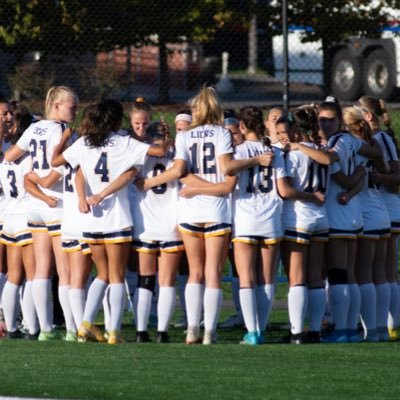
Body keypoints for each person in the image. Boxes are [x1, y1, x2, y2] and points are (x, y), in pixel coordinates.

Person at [137, 87, 272, 344]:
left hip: (190, 207)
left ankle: (191, 330)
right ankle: (209, 331)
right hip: (216, 208)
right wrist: (255, 161)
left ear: (201, 108)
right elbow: (227, 167)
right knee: (213, 273)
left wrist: (149, 183)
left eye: (194, 107)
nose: (192, 111)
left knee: (195, 272)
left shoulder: (186, 135)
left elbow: (178, 171)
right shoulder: (222, 132)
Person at [51, 99, 170, 344]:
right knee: (116, 276)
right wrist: (166, 137)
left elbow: (62, 164)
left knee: (102, 273)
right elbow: (158, 153)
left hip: (92, 220)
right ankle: (114, 331)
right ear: (116, 121)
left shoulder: (84, 143)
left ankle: (85, 323)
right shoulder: (124, 142)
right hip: (115, 217)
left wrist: (82, 198)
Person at [5, 86, 79, 341]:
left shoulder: (34, 127)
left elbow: (10, 155)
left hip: (34, 206)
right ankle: (71, 329)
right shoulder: (61, 130)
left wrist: (31, 173)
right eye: (72, 107)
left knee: (40, 271)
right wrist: (39, 177)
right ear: (56, 106)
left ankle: (45, 330)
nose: (75, 111)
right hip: (56, 202)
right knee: (64, 269)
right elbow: (52, 177)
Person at [276, 111, 329, 344]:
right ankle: (315, 331)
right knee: (316, 276)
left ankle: (297, 332)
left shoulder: (293, 155)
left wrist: (308, 196)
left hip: (298, 218)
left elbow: (285, 191)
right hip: (321, 218)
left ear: (296, 131)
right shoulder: (322, 152)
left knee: (296, 277)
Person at [131, 121, 184, 343]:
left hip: (146, 224)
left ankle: (141, 331)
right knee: (166, 281)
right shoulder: (176, 154)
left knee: (145, 280)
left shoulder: (139, 153)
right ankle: (162, 331)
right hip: (170, 222)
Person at [342, 106, 391, 342]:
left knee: (362, 273)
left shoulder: (350, 144)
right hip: (379, 209)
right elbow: (384, 170)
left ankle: (370, 329)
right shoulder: (374, 145)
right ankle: (380, 328)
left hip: (363, 211)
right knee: (380, 273)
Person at [356, 96, 400, 340]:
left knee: (386, 271)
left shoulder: (381, 139)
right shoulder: (369, 140)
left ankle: (391, 324)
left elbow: (396, 176)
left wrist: (379, 178)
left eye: (356, 112)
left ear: (368, 116)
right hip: (377, 208)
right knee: (380, 271)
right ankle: (385, 325)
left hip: (386, 208)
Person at [0, 105, 38, 339]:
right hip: (25, 218)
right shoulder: (29, 156)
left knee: (14, 276)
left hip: (9, 219)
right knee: (34, 276)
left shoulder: (5, 157)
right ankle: (33, 328)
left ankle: (11, 327)